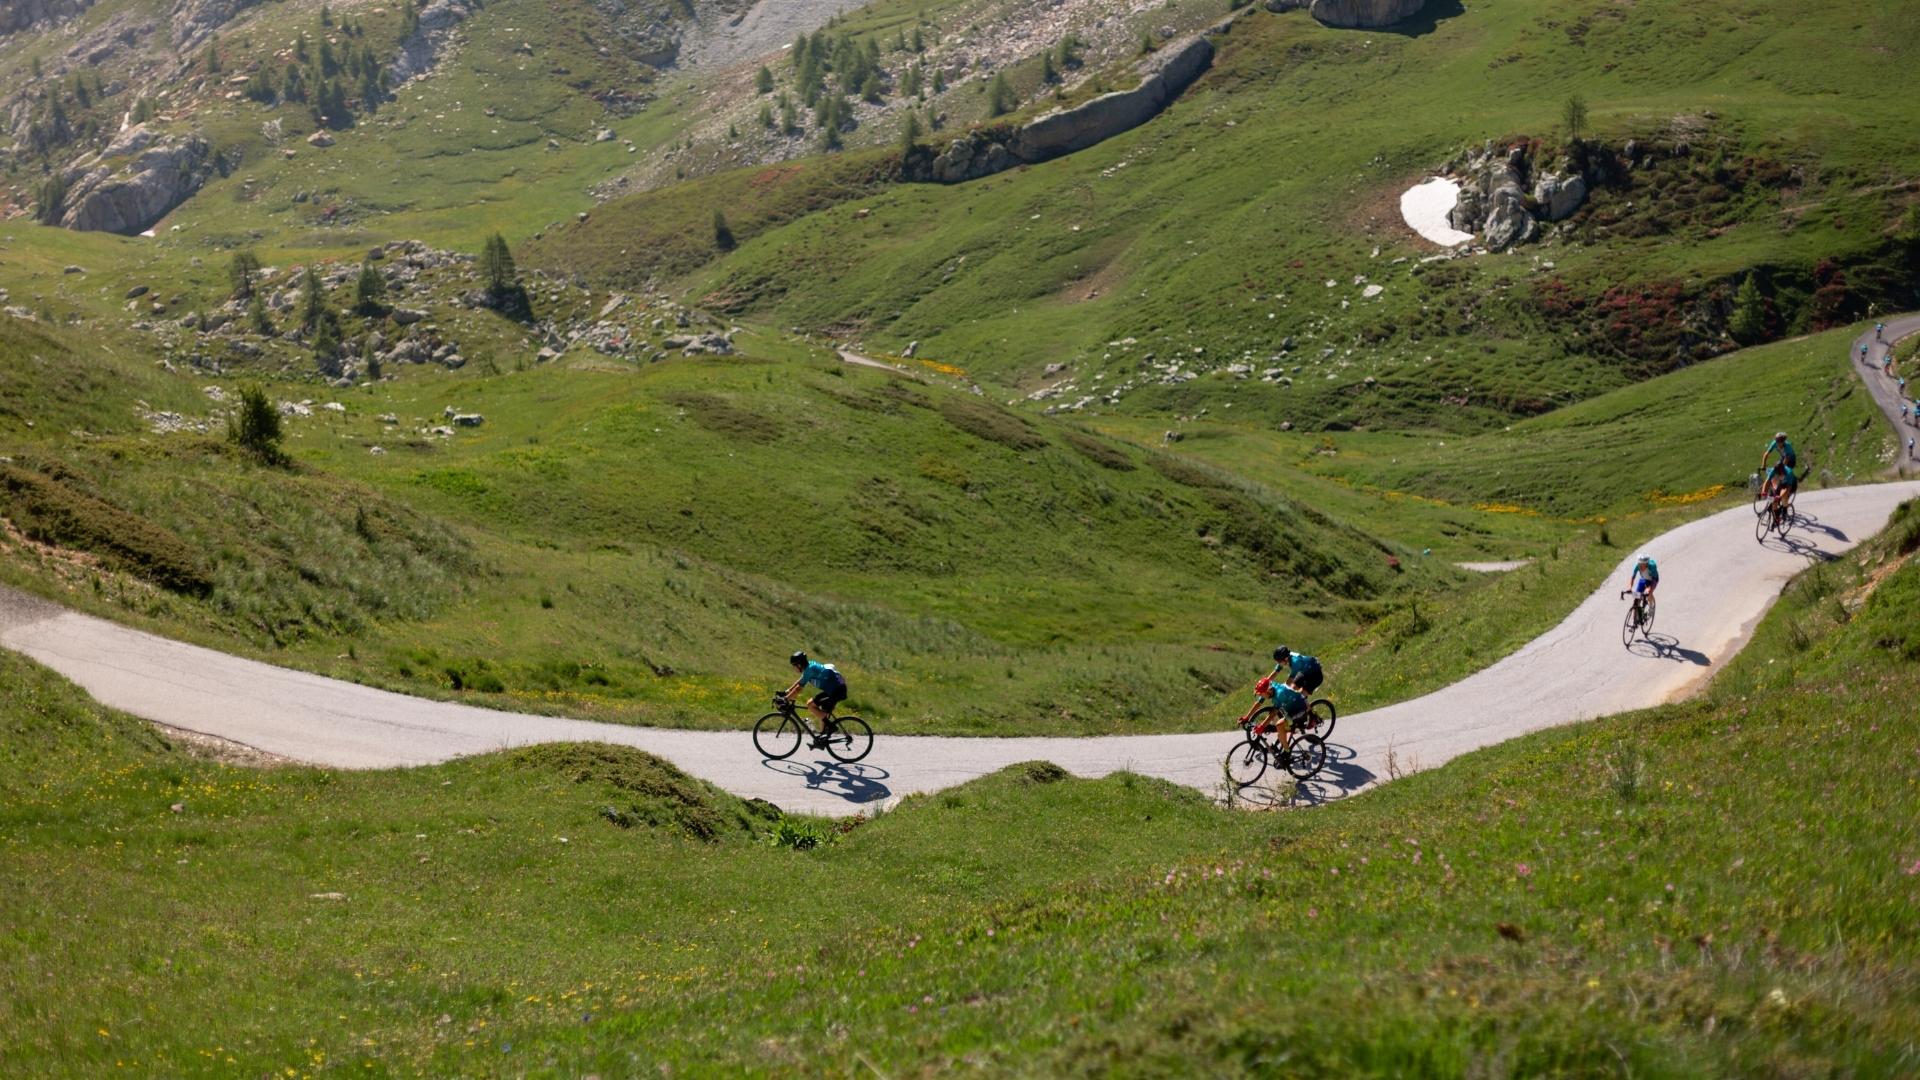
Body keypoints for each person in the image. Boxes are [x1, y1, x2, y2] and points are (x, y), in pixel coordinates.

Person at [780, 651, 847, 739]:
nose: (794, 668)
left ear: (799, 665)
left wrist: (786, 699)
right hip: (834, 689)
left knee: (810, 704)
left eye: (794, 666)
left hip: (836, 691)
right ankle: (823, 737)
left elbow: (798, 689)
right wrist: (787, 691)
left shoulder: (809, 669)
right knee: (823, 714)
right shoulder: (809, 666)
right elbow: (802, 680)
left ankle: (831, 727)